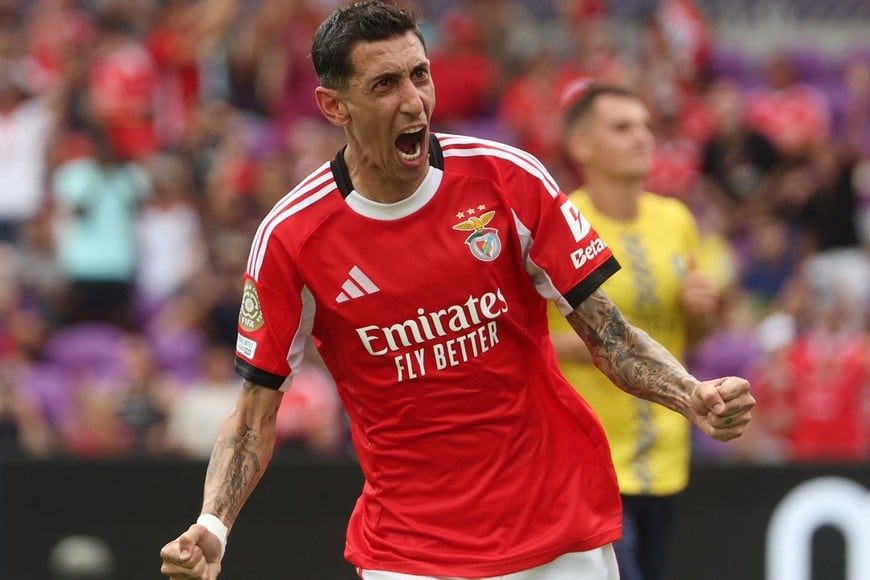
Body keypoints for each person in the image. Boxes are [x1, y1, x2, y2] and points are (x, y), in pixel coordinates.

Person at [159, 3, 755, 580]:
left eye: (420, 75)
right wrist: (213, 524)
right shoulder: (292, 238)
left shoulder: (507, 180)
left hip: (554, 531)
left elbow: (610, 337)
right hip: (409, 550)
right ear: (332, 106)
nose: (414, 101)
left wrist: (690, 394)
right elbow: (253, 416)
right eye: (385, 84)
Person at [549, 82, 723, 580]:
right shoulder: (560, 221)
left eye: (647, 126)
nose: (643, 137)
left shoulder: (677, 220)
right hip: (589, 460)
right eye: (622, 127)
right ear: (581, 145)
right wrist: (603, 345)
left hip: (666, 453)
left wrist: (701, 311)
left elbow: (696, 337)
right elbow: (525, 338)